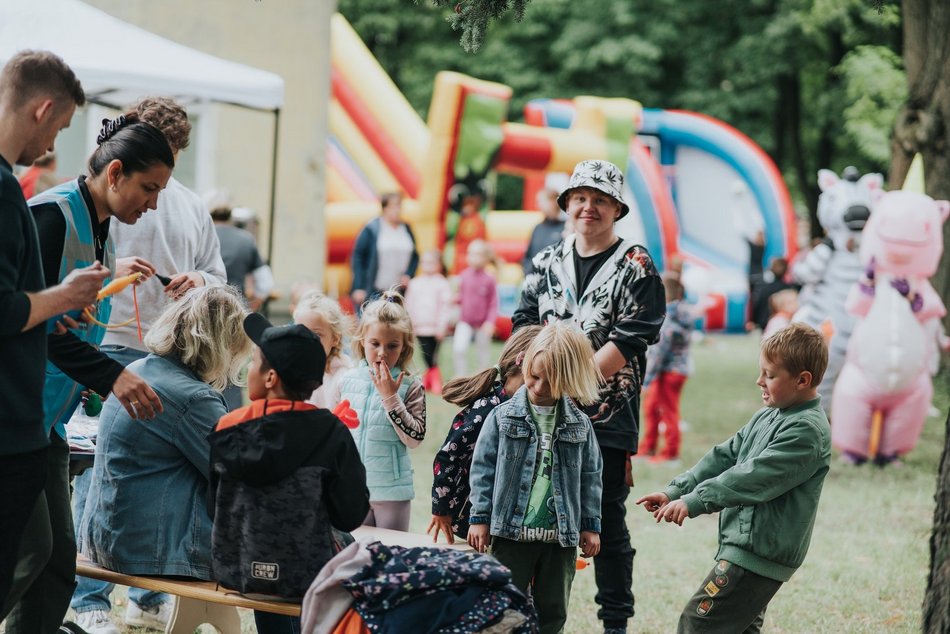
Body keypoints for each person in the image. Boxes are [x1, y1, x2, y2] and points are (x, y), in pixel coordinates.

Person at [3, 114, 173, 632]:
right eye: (149, 188)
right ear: (115, 173)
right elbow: (35, 330)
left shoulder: (102, 228)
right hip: (15, 420)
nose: (154, 203)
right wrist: (113, 377)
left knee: (56, 564)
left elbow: (57, 311)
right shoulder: (51, 217)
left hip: (46, 423)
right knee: (32, 554)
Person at [69, 96, 228, 634]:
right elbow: (77, 268)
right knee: (99, 465)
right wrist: (115, 269)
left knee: (166, 468)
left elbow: (216, 273)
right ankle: (90, 596)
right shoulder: (103, 194)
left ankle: (148, 591)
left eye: (174, 155)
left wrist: (199, 282)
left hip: (172, 353)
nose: (155, 194)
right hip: (107, 344)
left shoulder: (186, 204)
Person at [512, 159, 665, 634]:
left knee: (606, 523)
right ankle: (529, 617)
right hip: (541, 412)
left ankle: (615, 623)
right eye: (580, 198)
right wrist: (534, 384)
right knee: (534, 513)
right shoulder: (545, 261)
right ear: (566, 205)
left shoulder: (635, 264)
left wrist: (572, 387)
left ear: (617, 208)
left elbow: (634, 334)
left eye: (600, 199)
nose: (588, 207)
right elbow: (523, 323)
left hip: (607, 415)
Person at [0, 49, 107, 619]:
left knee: (46, 553)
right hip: (14, 422)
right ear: (42, 109)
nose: (52, 148)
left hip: (29, 422)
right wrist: (60, 298)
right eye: (61, 127)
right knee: (32, 551)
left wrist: (50, 310)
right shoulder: (13, 195)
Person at [636, 323, 831, 633]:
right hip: (747, 547)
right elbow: (724, 456)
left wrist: (696, 501)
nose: (759, 381)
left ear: (802, 380)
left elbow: (752, 478)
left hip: (758, 553)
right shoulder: (769, 414)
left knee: (697, 623)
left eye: (769, 375)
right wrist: (676, 491)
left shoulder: (807, 431)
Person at [79, 286, 250, 605]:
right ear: (222, 344)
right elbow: (238, 474)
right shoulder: (193, 398)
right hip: (148, 549)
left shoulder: (139, 371)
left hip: (104, 538)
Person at [209, 313, 370, 634]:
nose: (248, 369)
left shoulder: (227, 426)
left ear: (271, 378)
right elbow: (350, 514)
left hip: (238, 568)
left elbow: (212, 504)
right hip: (306, 571)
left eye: (254, 361)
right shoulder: (331, 431)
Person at [467, 322, 604, 634]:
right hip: (511, 535)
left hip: (560, 538)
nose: (539, 386)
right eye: (534, 375)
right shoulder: (502, 417)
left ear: (568, 381)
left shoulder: (580, 425)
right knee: (504, 606)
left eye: (551, 380)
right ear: (525, 364)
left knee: (553, 610)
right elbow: (483, 469)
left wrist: (591, 526)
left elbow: (591, 476)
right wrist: (480, 517)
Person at [428, 324, 542, 544]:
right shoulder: (486, 410)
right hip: (473, 520)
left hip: (513, 521)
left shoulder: (536, 412)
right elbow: (450, 455)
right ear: (522, 361)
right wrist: (441, 508)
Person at [338, 290, 426, 531]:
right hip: (355, 488)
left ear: (404, 348)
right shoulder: (347, 380)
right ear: (361, 342)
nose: (382, 353)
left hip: (392, 492)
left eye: (392, 346)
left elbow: (414, 438)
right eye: (374, 344)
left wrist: (390, 397)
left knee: (390, 560)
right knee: (357, 558)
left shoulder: (411, 386)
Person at [641, 274, 693, 463]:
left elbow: (658, 351)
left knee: (667, 411)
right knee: (652, 407)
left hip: (668, 371)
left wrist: (646, 379)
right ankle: (648, 447)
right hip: (676, 369)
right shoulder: (683, 313)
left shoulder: (667, 318)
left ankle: (670, 453)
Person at [207, 189, 274, 313]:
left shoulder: (202, 236)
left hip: (203, 309)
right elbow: (265, 282)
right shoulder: (246, 239)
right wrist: (250, 308)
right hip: (236, 310)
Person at [349, 192, 419, 309]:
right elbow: (358, 257)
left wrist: (409, 274)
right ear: (385, 208)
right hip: (374, 290)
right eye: (393, 206)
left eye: (399, 206)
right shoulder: (372, 228)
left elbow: (415, 256)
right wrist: (358, 286)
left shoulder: (405, 228)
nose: (397, 210)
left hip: (397, 291)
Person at [292, 290, 354, 409]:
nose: (308, 340)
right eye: (301, 333)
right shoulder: (294, 372)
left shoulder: (344, 377)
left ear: (335, 338)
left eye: (316, 334)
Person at [405, 249, 452, 394]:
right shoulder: (415, 283)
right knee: (425, 353)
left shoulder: (442, 283)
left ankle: (434, 378)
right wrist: (409, 323)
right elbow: (409, 303)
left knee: (433, 353)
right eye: (425, 262)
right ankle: (431, 377)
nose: (428, 265)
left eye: (431, 262)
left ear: (438, 264)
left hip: (435, 327)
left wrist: (442, 325)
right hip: (419, 325)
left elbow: (446, 305)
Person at [452, 239, 498, 378]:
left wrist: (490, 322)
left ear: (485, 258)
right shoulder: (464, 276)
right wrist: (455, 299)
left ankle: (482, 378)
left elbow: (493, 303)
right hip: (465, 320)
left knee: (482, 352)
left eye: (477, 254)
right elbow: (462, 297)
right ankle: (460, 377)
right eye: (470, 253)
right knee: (459, 348)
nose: (473, 257)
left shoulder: (490, 278)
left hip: (482, 323)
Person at [522, 187, 566, 275]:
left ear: (553, 202)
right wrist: (529, 273)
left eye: (540, 202)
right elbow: (527, 256)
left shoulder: (566, 228)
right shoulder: (537, 228)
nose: (537, 206)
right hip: (535, 279)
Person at [452, 191, 488, 274]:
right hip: (461, 255)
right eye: (465, 205)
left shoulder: (478, 220)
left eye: (470, 205)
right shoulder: (461, 219)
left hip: (474, 254)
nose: (467, 208)